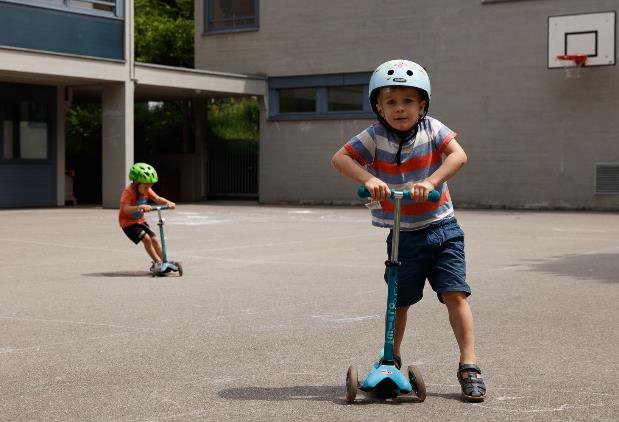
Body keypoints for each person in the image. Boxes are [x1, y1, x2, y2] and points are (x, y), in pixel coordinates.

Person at [331, 59, 486, 402]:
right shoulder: (373, 136)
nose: (399, 108)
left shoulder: (432, 129)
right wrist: (369, 178)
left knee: (454, 294)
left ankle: (469, 365)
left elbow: (458, 155)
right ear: (378, 107)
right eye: (390, 102)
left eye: (408, 101)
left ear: (422, 105)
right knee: (398, 301)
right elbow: (340, 159)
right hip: (403, 234)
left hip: (442, 228)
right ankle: (391, 360)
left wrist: (430, 181)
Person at [119, 162, 176, 273]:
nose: (148, 189)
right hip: (128, 223)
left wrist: (168, 202)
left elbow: (157, 199)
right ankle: (157, 262)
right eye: (146, 187)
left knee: (154, 239)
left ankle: (165, 262)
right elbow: (125, 209)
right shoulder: (128, 192)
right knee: (146, 239)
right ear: (136, 183)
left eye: (150, 186)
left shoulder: (146, 189)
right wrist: (140, 207)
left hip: (140, 221)